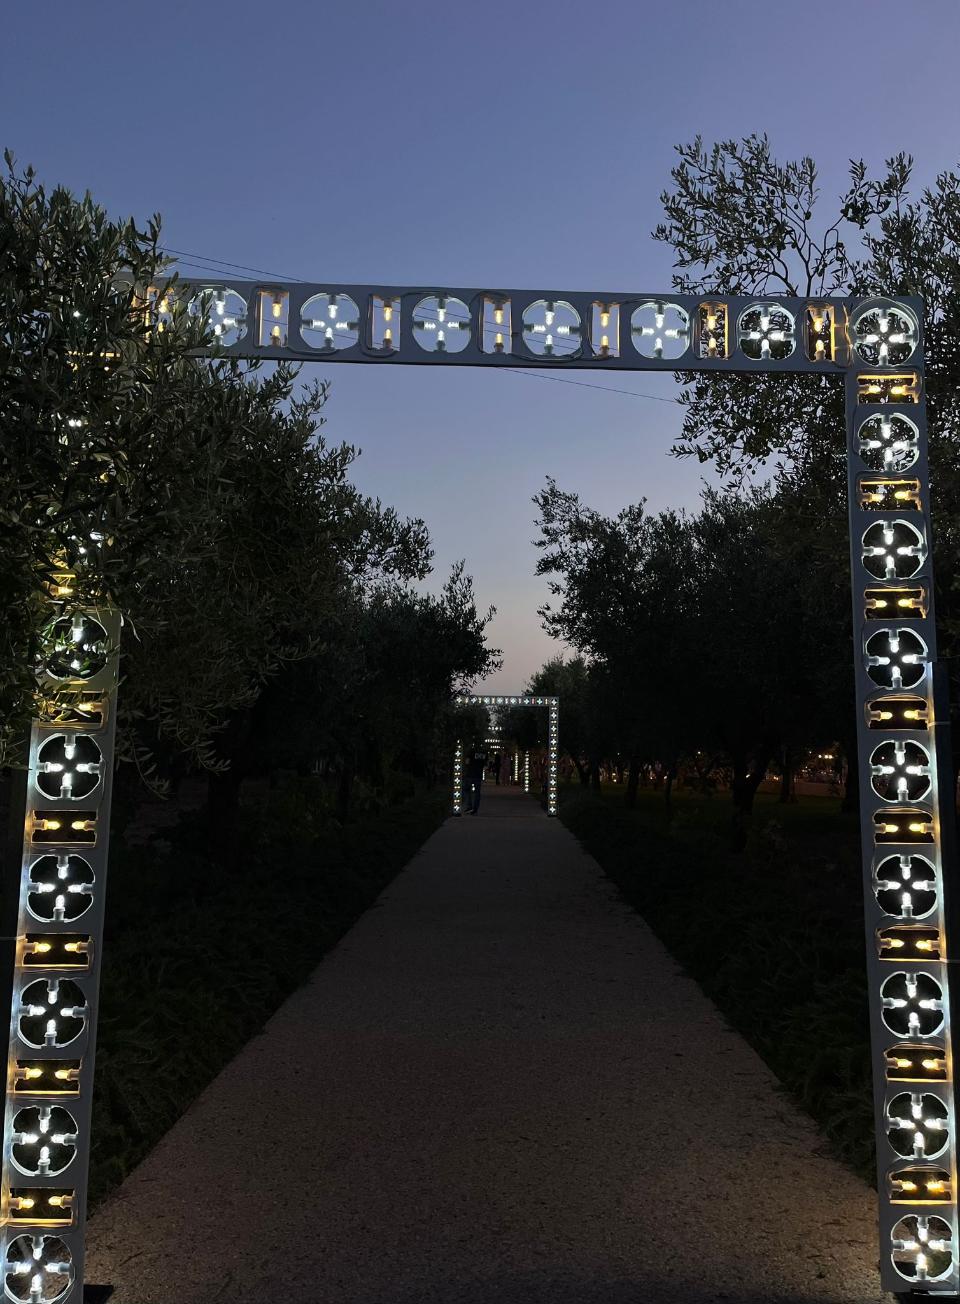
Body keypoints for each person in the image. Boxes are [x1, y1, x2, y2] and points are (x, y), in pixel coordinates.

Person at [465, 741, 488, 815]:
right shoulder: (484, 753)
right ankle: (475, 810)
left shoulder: (471, 751)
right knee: (477, 793)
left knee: (467, 790)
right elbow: (485, 765)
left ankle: (469, 807)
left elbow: (467, 762)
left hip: (470, 774)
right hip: (478, 775)